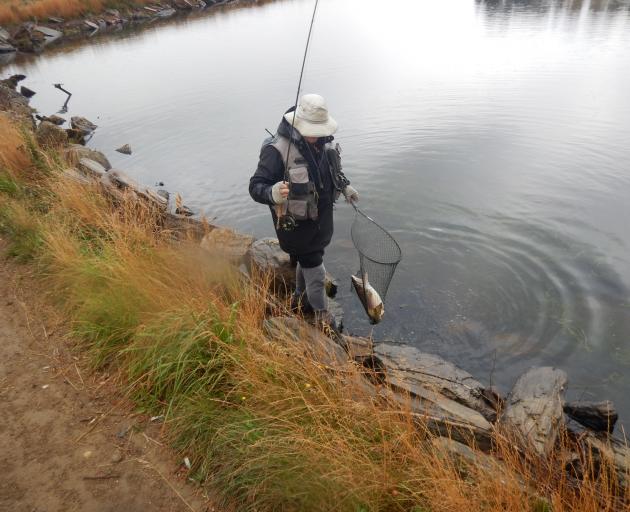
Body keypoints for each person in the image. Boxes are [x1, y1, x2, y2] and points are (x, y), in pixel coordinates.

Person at [249, 94, 358, 330]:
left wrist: (345, 187)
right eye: (313, 130)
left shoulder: (324, 142)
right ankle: (321, 316)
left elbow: (333, 172)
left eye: (320, 130)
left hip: (321, 223)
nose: (317, 135)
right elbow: (256, 187)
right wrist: (273, 193)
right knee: (315, 269)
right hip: (296, 228)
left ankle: (299, 298)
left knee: (309, 261)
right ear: (298, 123)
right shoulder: (276, 150)